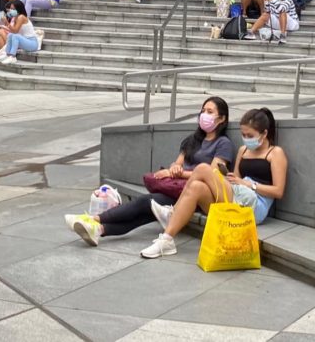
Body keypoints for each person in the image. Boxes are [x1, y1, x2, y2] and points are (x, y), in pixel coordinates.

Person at [65, 97, 234, 246]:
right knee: (148, 211)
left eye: (210, 111)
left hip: (197, 195)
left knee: (146, 203)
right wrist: (174, 168)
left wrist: (178, 173)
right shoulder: (193, 140)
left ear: (221, 118)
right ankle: (100, 230)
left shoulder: (223, 144)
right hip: (177, 188)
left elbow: (212, 174)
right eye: (203, 111)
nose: (204, 115)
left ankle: (93, 219)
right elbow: (178, 163)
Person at [142, 107, 287, 259]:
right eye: (243, 135)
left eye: (250, 135)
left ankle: (172, 213)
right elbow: (236, 178)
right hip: (237, 194)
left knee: (203, 168)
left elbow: (278, 191)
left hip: (255, 204)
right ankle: (166, 241)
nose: (246, 138)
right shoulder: (243, 150)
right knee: (197, 187)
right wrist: (228, 178)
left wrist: (251, 185)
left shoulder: (275, 153)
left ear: (264, 133)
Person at [0, 0, 41, 64]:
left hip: (32, 43)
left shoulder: (21, 17)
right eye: (10, 8)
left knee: (15, 36)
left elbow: (15, 31)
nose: (11, 10)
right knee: (10, 35)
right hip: (25, 41)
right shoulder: (15, 18)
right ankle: (8, 55)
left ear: (18, 9)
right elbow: (12, 31)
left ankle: (13, 57)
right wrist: (4, 24)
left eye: (13, 9)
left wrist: (7, 23)